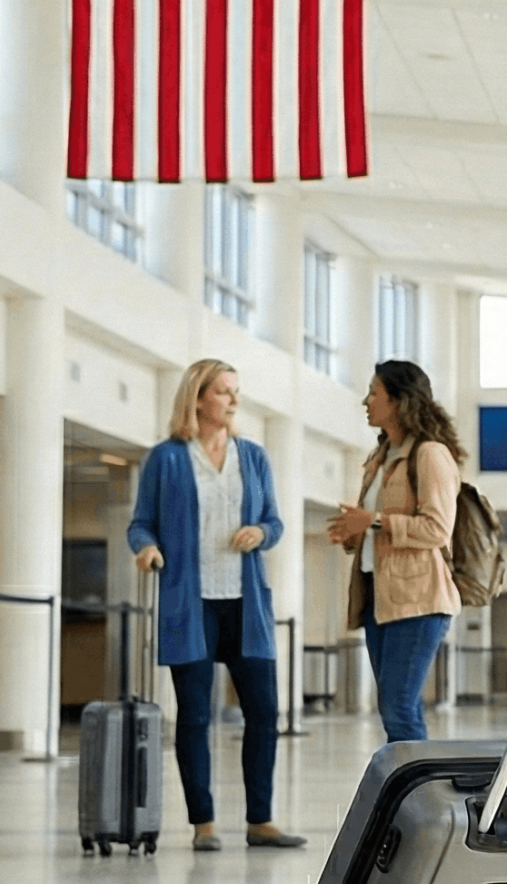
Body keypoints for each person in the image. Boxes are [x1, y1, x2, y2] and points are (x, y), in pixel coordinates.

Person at [127, 359, 306, 852]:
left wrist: (261, 532)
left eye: (235, 391)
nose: (233, 401)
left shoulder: (252, 456)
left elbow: (274, 521)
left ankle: (260, 821)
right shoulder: (166, 458)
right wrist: (147, 548)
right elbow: (141, 523)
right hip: (192, 603)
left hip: (246, 604)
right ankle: (203, 823)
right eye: (224, 392)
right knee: (194, 716)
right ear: (198, 397)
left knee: (264, 713)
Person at [327, 361, 464, 745]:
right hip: (378, 598)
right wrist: (351, 532)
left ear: (400, 401)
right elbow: (373, 524)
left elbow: (437, 530)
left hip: (419, 601)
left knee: (398, 707)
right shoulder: (380, 457)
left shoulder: (431, 455)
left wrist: (372, 522)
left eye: (374, 393)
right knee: (394, 708)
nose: (366, 401)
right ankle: (408, 795)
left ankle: (417, 798)